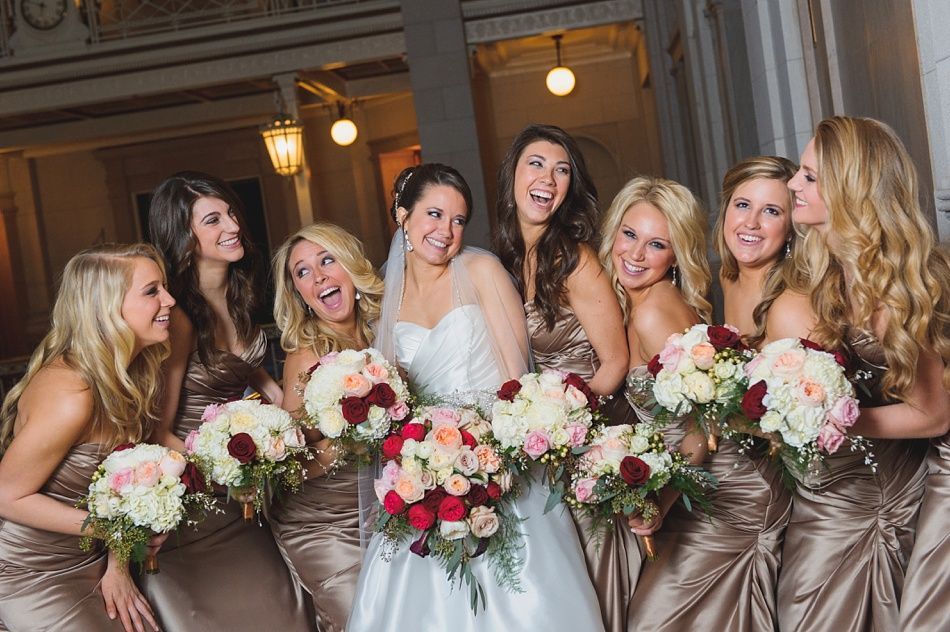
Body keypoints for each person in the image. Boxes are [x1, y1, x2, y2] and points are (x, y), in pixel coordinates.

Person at [348, 163, 604, 632]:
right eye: (434, 214)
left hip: (496, 464)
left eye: (459, 220)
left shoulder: (481, 270)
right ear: (402, 216)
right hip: (424, 473)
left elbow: (515, 379)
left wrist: (488, 456)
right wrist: (422, 462)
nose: (447, 231)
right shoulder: (385, 295)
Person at [777, 116, 946, 631]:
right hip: (872, 470)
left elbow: (934, 414)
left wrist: (838, 421)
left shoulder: (890, 288)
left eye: (809, 176)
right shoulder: (834, 273)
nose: (792, 185)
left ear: (849, 191)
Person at [142, 171, 312, 631]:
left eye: (231, 213)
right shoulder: (176, 317)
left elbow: (235, 363)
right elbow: (158, 430)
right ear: (184, 238)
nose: (233, 225)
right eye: (213, 220)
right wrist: (224, 472)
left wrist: (275, 392)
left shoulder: (237, 294)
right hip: (199, 506)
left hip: (247, 498)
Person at [494, 124, 631, 631]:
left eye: (562, 169)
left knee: (593, 578)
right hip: (535, 448)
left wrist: (560, 422)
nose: (548, 178)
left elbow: (614, 362)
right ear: (512, 176)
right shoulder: (507, 259)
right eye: (536, 163)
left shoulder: (576, 258)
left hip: (581, 439)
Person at [0, 243, 174, 632]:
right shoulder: (71, 395)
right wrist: (117, 532)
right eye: (152, 291)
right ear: (107, 308)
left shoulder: (131, 375)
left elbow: (116, 490)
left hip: (91, 562)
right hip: (32, 572)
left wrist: (118, 563)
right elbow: (5, 496)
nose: (170, 299)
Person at [269, 222, 384, 632]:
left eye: (327, 260)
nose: (317, 277)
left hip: (383, 512)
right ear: (299, 293)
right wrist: (344, 446)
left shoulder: (385, 336)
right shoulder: (307, 356)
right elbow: (290, 463)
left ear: (352, 269)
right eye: (302, 272)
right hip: (323, 523)